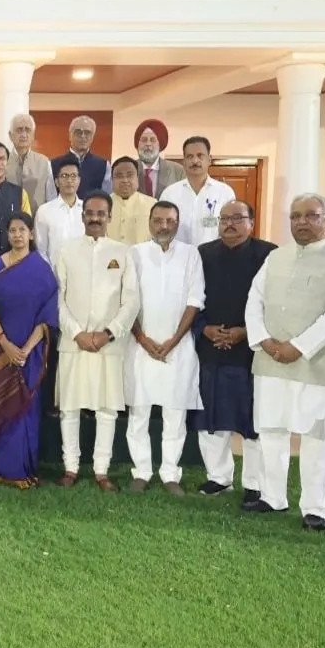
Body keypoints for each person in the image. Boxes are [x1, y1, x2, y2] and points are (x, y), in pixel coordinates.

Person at [243, 193, 325, 530]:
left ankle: (316, 509)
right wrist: (264, 340)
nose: (302, 222)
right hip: (270, 358)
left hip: (313, 362)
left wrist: (298, 347)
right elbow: (254, 300)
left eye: (311, 215)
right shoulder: (275, 257)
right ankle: (272, 496)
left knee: (316, 437)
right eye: (295, 216)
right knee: (271, 430)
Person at [55, 191, 140, 491]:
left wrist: (108, 333)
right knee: (70, 407)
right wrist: (76, 333)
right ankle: (70, 467)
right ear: (82, 216)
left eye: (101, 213)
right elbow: (58, 297)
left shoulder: (123, 252)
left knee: (107, 409)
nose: (94, 218)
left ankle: (101, 470)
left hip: (109, 344)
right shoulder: (67, 250)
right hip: (73, 342)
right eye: (90, 213)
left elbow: (131, 301)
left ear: (109, 217)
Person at [193, 201, 274, 500]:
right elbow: (191, 296)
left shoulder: (268, 255)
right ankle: (218, 477)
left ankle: (254, 483)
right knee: (210, 415)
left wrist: (245, 332)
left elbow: (274, 303)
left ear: (251, 222)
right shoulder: (203, 254)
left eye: (237, 218)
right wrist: (204, 328)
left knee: (252, 419)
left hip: (251, 350)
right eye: (224, 218)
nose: (229, 224)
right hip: (210, 346)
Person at [125, 201, 205, 494]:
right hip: (140, 346)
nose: (164, 226)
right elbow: (127, 300)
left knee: (175, 414)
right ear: (149, 222)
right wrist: (142, 338)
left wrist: (174, 340)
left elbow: (195, 300)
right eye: (158, 220)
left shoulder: (190, 254)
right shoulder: (135, 253)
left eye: (170, 221)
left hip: (178, 347)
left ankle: (171, 474)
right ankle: (142, 472)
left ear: (177, 223)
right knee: (139, 413)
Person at [0, 213, 58, 488]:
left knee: (25, 409)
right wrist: (6, 344)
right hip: (2, 348)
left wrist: (26, 349)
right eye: (12, 230)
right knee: (1, 404)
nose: (18, 235)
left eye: (23, 230)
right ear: (8, 234)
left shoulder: (41, 268)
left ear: (31, 234)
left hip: (30, 352)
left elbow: (48, 314)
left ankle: (23, 468)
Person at [160, 136, 235, 246]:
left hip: (213, 255)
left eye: (200, 156)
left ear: (209, 159)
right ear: (184, 161)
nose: (195, 161)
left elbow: (231, 229)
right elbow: (161, 229)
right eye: (190, 156)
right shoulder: (169, 194)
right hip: (178, 255)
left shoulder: (225, 193)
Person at [34, 156, 85, 267]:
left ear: (79, 181)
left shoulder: (87, 210)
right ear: (56, 182)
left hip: (82, 273)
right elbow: (41, 250)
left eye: (73, 176)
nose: (69, 180)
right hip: (54, 274)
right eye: (64, 176)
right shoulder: (44, 211)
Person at [105, 156, 156, 245]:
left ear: (137, 178)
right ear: (112, 179)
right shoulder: (103, 204)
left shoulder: (152, 204)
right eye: (119, 176)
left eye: (129, 175)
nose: (125, 180)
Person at [51, 115, 109, 193]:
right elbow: (51, 195)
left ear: (92, 137)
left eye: (87, 133)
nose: (83, 136)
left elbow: (106, 195)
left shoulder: (103, 165)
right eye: (78, 132)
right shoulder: (53, 164)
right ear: (70, 135)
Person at [8, 113, 57, 205]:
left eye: (27, 130)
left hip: (38, 214)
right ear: (10, 135)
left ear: (33, 135)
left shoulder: (44, 162)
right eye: (19, 130)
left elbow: (51, 198)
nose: (24, 135)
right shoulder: (2, 161)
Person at [132, 119, 184, 202]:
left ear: (160, 145)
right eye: (144, 140)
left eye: (153, 140)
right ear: (137, 144)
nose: (148, 144)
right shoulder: (130, 169)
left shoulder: (178, 171)